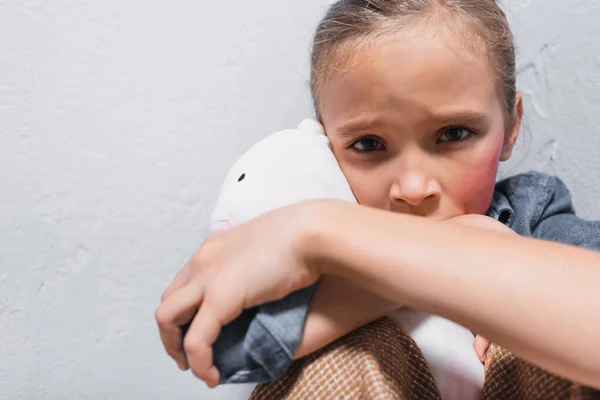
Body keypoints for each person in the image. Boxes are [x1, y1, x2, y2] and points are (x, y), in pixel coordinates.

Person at [155, 0, 600, 391]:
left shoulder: (534, 214)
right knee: (346, 354)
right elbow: (217, 349)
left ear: (511, 125)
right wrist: (390, 272)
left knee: (533, 341)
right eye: (368, 144)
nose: (412, 189)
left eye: (453, 133)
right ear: (325, 144)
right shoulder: (298, 243)